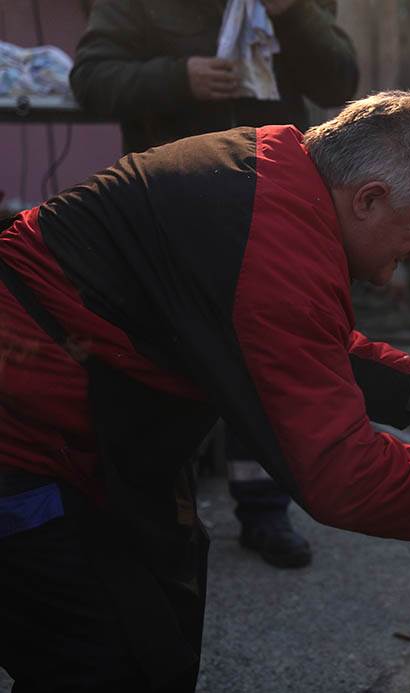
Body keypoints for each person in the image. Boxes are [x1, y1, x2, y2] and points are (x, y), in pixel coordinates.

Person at [0, 91, 410, 692]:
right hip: (27, 445)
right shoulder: (274, 247)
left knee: (154, 624)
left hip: (95, 426)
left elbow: (292, 332)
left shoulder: (276, 170)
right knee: (105, 659)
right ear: (369, 199)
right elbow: (342, 476)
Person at [70, 0, 362, 568]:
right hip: (170, 201)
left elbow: (339, 83)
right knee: (163, 355)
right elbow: (90, 80)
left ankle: (266, 508)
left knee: (273, 350)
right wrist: (179, 78)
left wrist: (294, 14)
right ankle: (152, 510)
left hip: (272, 199)